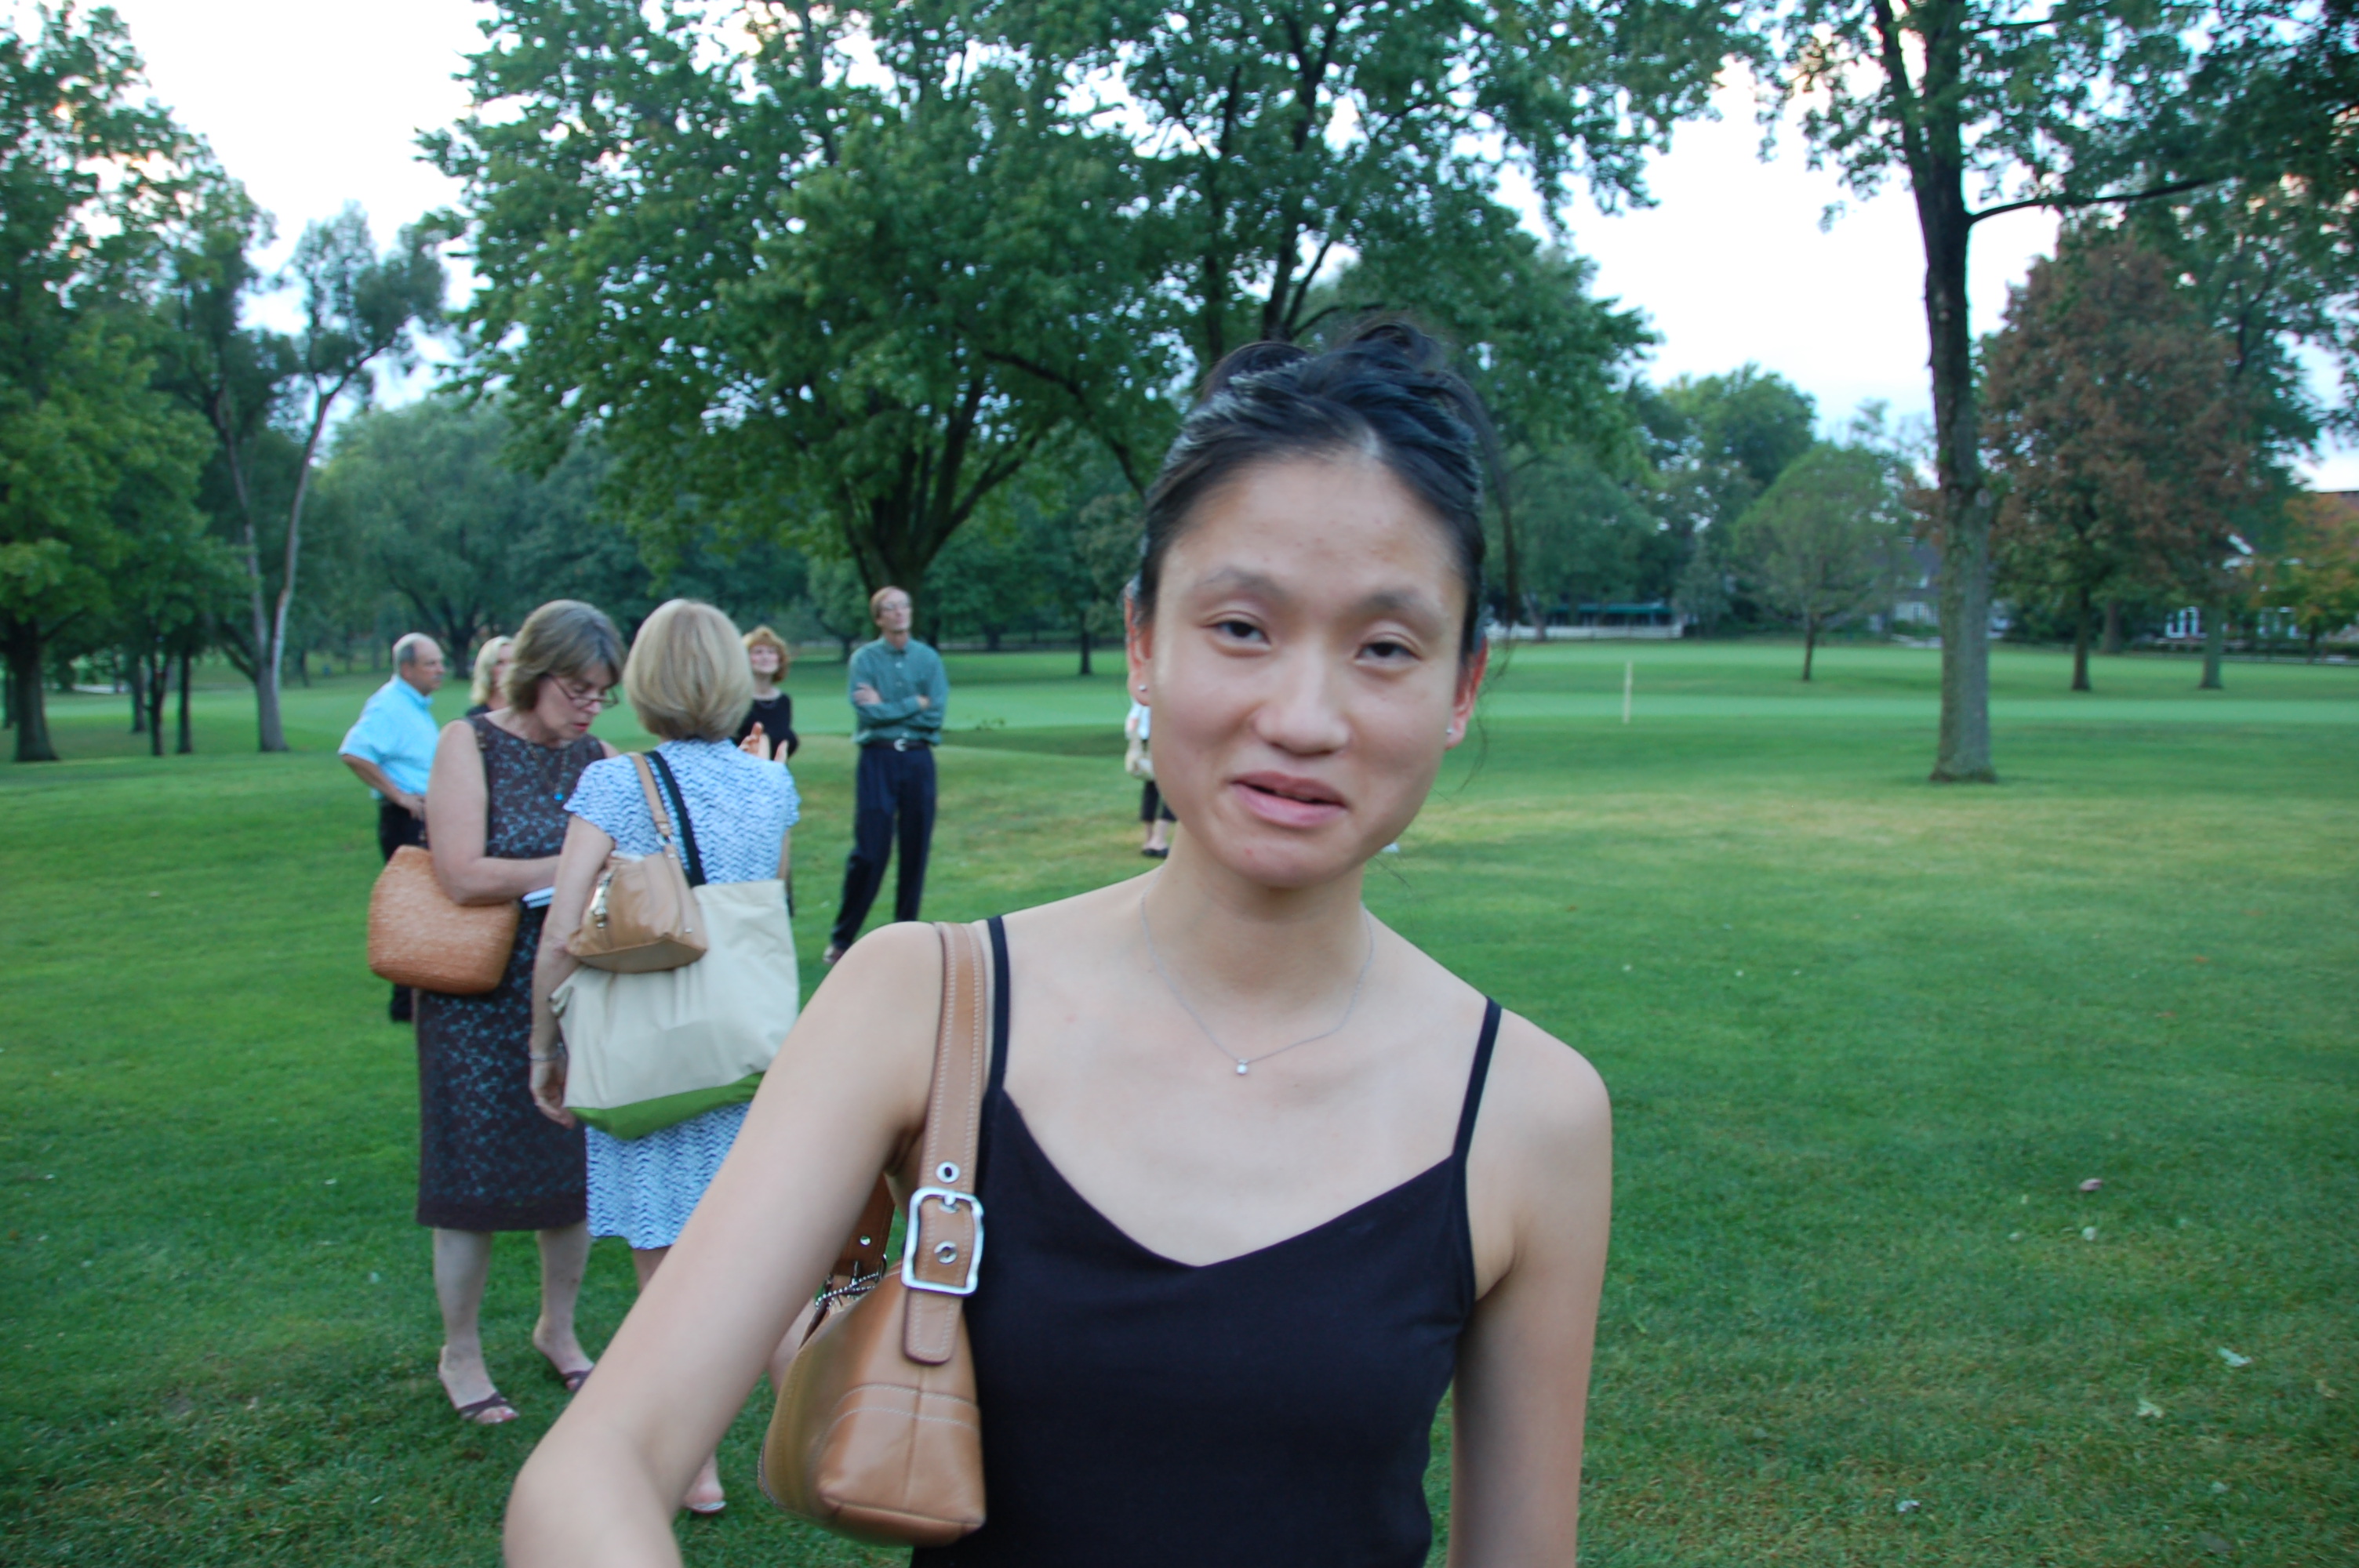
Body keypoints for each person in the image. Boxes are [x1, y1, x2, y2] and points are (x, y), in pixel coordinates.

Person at [503, 322, 1612, 1566]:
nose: (1304, 717)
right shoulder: (919, 1002)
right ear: (1143, 640)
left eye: (1386, 648)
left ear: (1461, 687)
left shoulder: (1531, 1114)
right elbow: (596, 1468)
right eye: (1242, 627)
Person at [527, 598, 801, 1516]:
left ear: (643, 680)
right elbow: (765, 901)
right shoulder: (771, 786)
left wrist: (543, 1045)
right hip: (746, 1052)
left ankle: (696, 1467)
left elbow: (561, 931)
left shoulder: (613, 784)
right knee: (759, 1264)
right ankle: (815, 1436)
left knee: (666, 1278)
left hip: (648, 1062)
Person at [417, 600, 624, 1426]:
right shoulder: (467, 743)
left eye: (603, 692)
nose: (591, 707)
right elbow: (462, 873)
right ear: (535, 673)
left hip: (574, 988)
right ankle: (460, 1349)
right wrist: (575, 865)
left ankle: (557, 1328)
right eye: (578, 689)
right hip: (476, 995)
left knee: (570, 1172)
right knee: (471, 1174)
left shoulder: (600, 757)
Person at [823, 586, 947, 966]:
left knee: (915, 848)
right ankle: (842, 938)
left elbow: (935, 713)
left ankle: (907, 934)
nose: (899, 613)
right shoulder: (865, 660)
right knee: (870, 850)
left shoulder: (927, 658)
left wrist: (889, 707)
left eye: (904, 605)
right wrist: (913, 703)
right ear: (878, 617)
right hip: (877, 759)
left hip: (918, 759)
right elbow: (867, 714)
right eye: (890, 608)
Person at [340, 632, 446, 1022]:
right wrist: (399, 795)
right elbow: (355, 752)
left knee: (425, 903)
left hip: (424, 816)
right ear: (406, 668)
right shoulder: (389, 706)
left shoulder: (413, 705)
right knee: (413, 904)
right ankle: (406, 1002)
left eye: (440, 662)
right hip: (406, 820)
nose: (440, 670)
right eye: (431, 664)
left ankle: (419, 992)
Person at [732, 624, 799, 760]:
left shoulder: (783, 701)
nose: (766, 657)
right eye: (758, 652)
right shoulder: (734, 701)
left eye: (771, 652)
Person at [1124, 697, 1175, 857]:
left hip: (1145, 736)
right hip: (1163, 737)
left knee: (1151, 787)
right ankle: (1158, 840)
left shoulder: (1143, 688)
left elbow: (1135, 712)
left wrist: (1132, 738)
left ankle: (1150, 839)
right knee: (1173, 789)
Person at [467, 634, 515, 718]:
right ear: (487, 669)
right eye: (500, 663)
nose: (509, 668)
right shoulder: (476, 716)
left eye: (513, 662)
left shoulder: (530, 712)